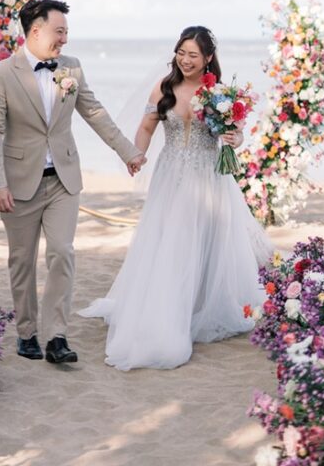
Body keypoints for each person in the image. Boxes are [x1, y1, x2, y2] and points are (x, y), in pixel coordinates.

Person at [79, 25, 273, 371]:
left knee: (205, 238)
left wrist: (235, 139)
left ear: (208, 58)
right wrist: (136, 155)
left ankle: (198, 305)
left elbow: (236, 133)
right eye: (181, 53)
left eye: (193, 55)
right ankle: (167, 307)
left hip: (208, 176)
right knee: (171, 239)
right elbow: (146, 127)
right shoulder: (163, 87)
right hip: (171, 175)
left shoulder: (219, 94)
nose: (185, 60)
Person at [0, 0, 146, 366]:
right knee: (22, 261)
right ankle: (27, 332)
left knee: (62, 252)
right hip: (18, 183)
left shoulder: (72, 67)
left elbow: (95, 112)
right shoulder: (2, 74)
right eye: (60, 31)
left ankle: (57, 335)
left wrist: (128, 151)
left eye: (67, 32)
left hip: (63, 180)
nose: (65, 39)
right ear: (36, 31)